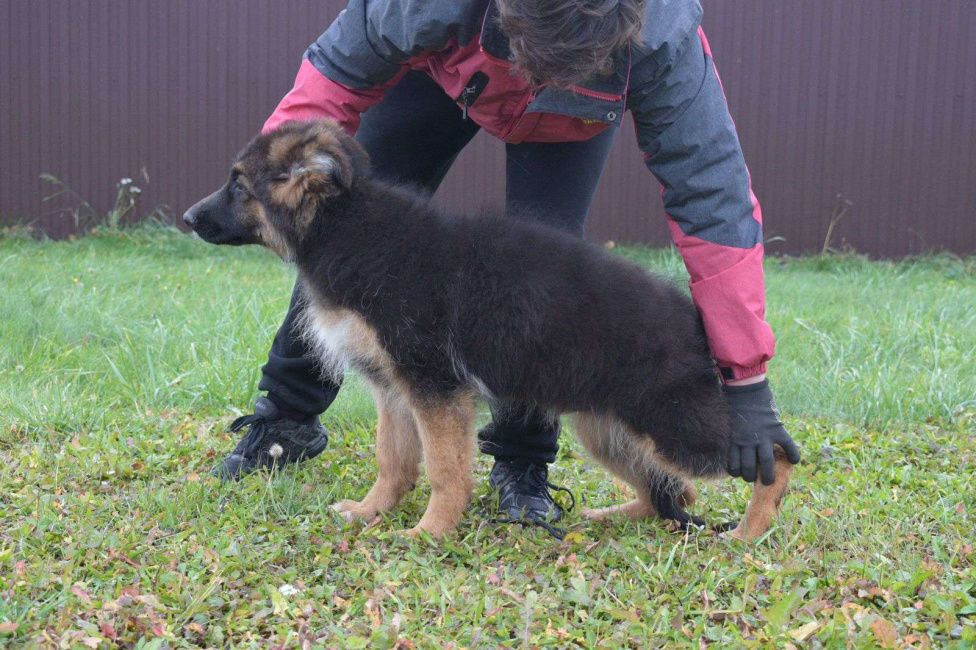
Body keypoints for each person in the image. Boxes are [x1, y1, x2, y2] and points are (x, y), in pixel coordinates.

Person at [206, 0, 801, 529]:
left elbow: (714, 200)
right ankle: (284, 417)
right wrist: (275, 180)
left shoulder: (666, 38)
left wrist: (747, 380)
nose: (533, 82)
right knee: (338, 232)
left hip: (574, 119)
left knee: (550, 282)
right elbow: (327, 83)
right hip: (441, 74)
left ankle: (522, 468)